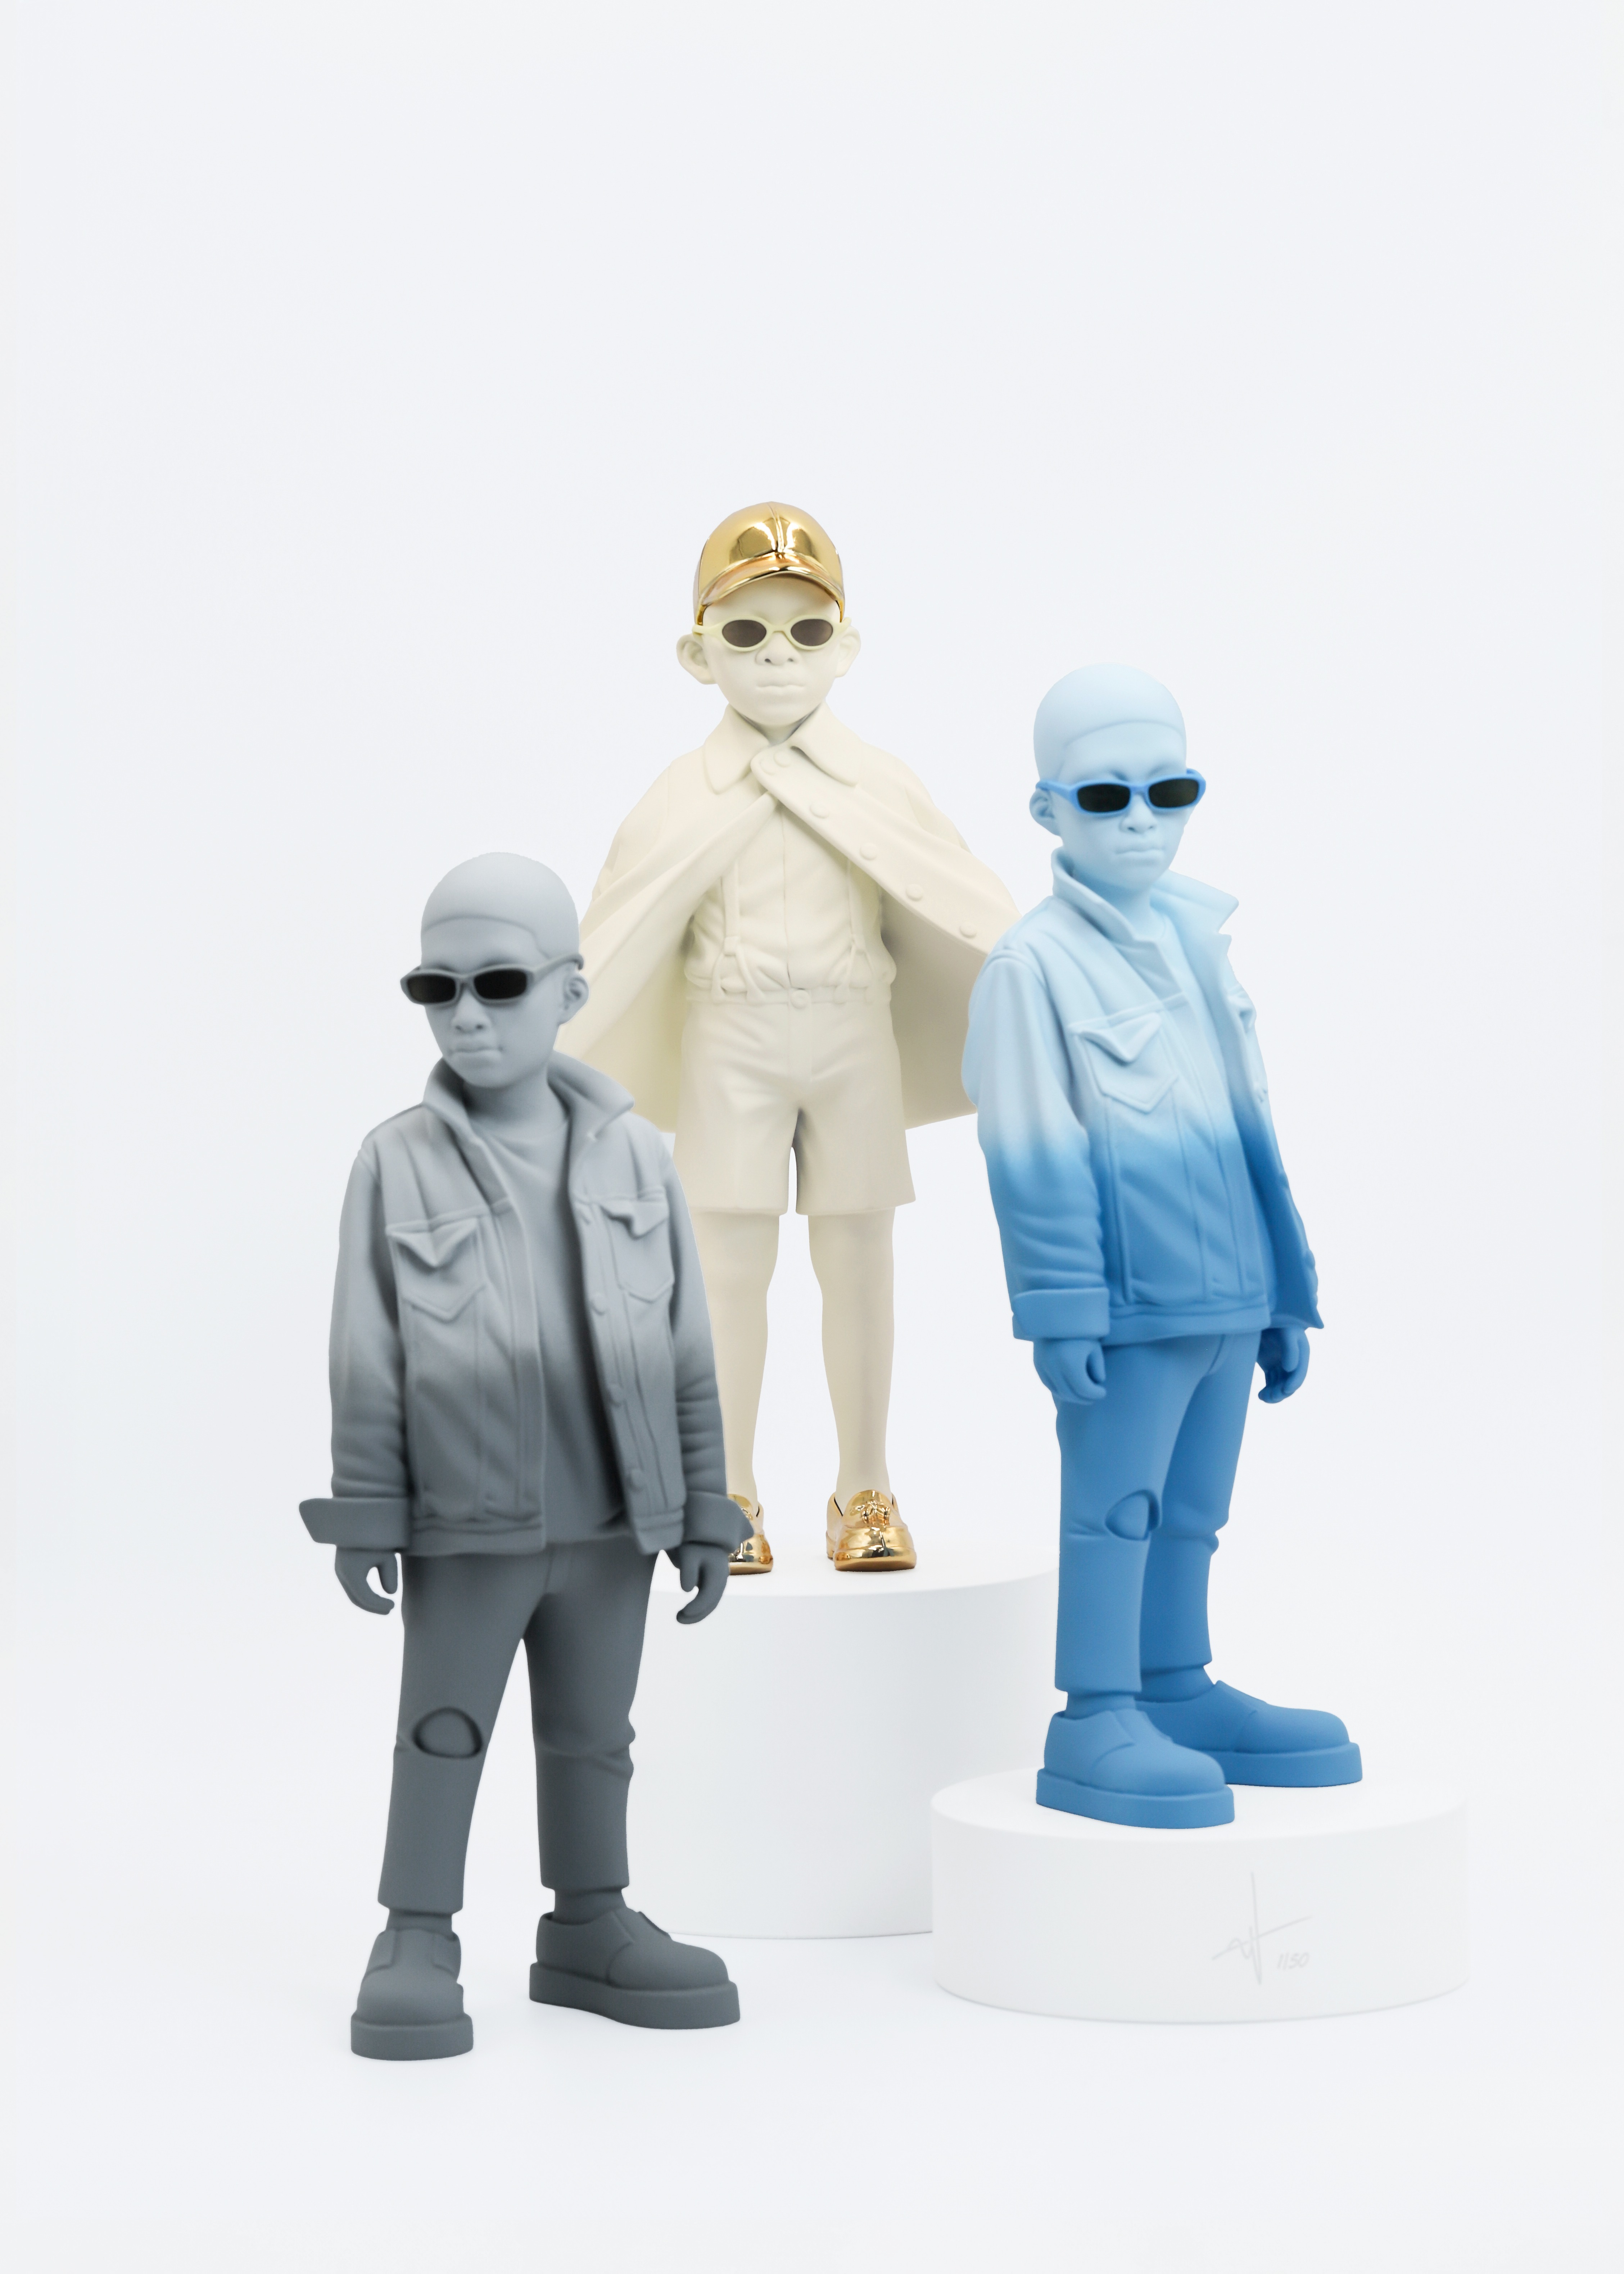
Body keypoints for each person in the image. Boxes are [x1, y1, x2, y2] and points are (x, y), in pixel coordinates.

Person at [300, 853, 747, 2057]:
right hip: (469, 1523)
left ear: (568, 991)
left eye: (499, 984)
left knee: (597, 1735)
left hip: (614, 1522)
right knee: (443, 1728)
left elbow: (687, 1343)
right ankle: (416, 1933)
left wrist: (705, 1507)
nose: (466, 1015)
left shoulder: (637, 1156)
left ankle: (590, 1921)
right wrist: (367, 1509)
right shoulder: (396, 1160)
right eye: (435, 988)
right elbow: (365, 1351)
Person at [566, 503, 1018, 1573]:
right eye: (746, 632)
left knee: (858, 1261)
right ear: (698, 655)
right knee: (727, 1268)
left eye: (805, 632)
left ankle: (866, 1486)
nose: (777, 656)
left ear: (844, 647)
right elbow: (618, 924)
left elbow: (959, 896)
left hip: (853, 1037)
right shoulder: (679, 796)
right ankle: (728, 1486)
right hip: (730, 1040)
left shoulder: (882, 784)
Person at [963, 666, 1360, 1829]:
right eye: (1105, 795)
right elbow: (1029, 1150)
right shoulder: (1030, 968)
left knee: (1193, 1511)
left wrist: (1282, 1292)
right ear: (1047, 810)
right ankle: (1095, 1711)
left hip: (1227, 1295)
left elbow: (1249, 1130)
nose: (1140, 819)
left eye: (1167, 790)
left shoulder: (1199, 942)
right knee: (1116, 1509)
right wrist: (1060, 1309)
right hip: (1129, 1309)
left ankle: (1173, 1687)